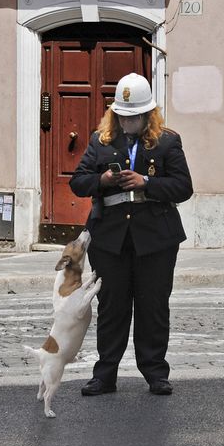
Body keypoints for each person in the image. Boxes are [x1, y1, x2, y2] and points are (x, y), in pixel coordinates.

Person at [69, 72, 193, 396]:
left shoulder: (167, 141)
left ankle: (155, 373)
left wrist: (147, 183)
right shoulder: (101, 141)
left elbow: (183, 187)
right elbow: (78, 181)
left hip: (155, 239)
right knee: (112, 307)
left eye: (134, 116)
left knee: (153, 306)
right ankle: (105, 374)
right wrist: (103, 181)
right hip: (111, 239)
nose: (127, 122)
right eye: (122, 116)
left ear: (147, 114)